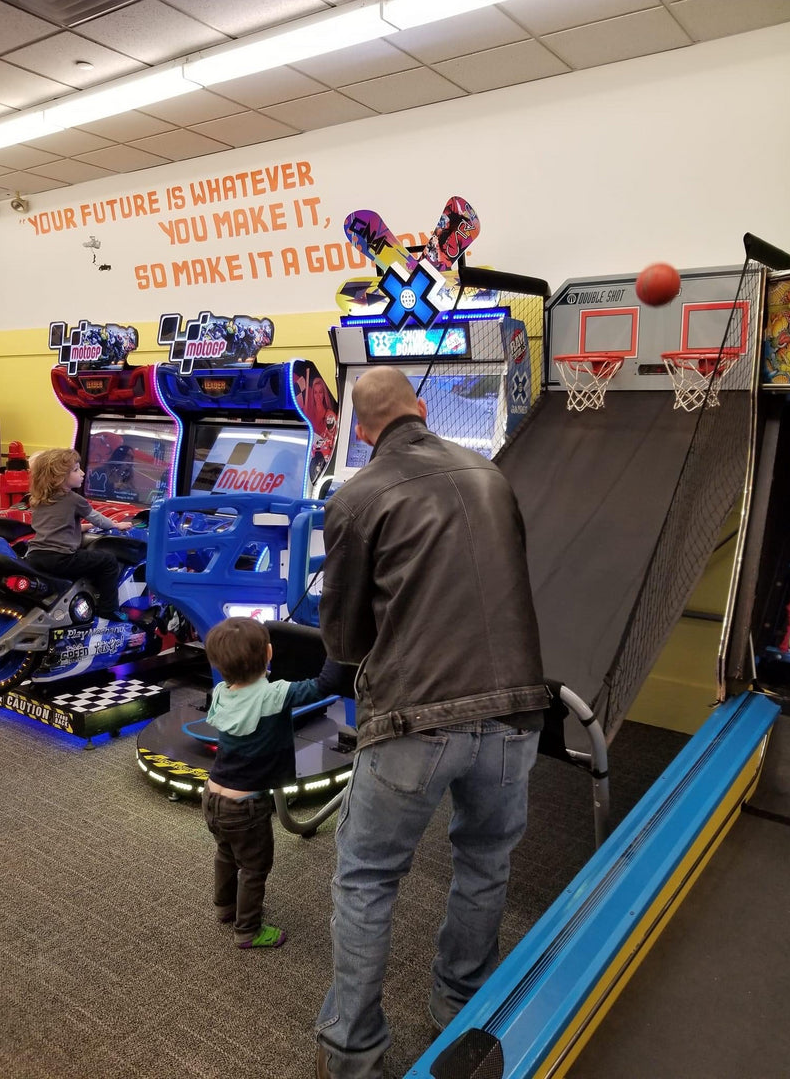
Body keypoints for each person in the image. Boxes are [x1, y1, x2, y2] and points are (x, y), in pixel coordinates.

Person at [315, 366, 549, 1079]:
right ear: (422, 408)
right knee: (485, 863)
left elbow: (347, 643)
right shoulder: (489, 474)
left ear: (360, 430)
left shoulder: (356, 498)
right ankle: (463, 1015)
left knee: (367, 879)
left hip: (416, 717)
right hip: (515, 708)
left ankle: (352, 1053)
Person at [202, 616, 350, 950]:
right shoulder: (275, 695)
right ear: (270, 653)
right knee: (254, 867)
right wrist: (338, 643)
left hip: (212, 796)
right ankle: (248, 930)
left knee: (226, 853)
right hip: (246, 807)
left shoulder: (220, 692)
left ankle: (225, 907)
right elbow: (324, 684)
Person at [26, 448, 132, 621]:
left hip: (35, 556)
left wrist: (85, 527)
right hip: (61, 558)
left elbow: (57, 526)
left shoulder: (38, 499)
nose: (82, 473)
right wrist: (116, 525)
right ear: (59, 477)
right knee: (108, 562)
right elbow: (99, 519)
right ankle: (108, 609)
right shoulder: (74, 500)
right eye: (76, 470)